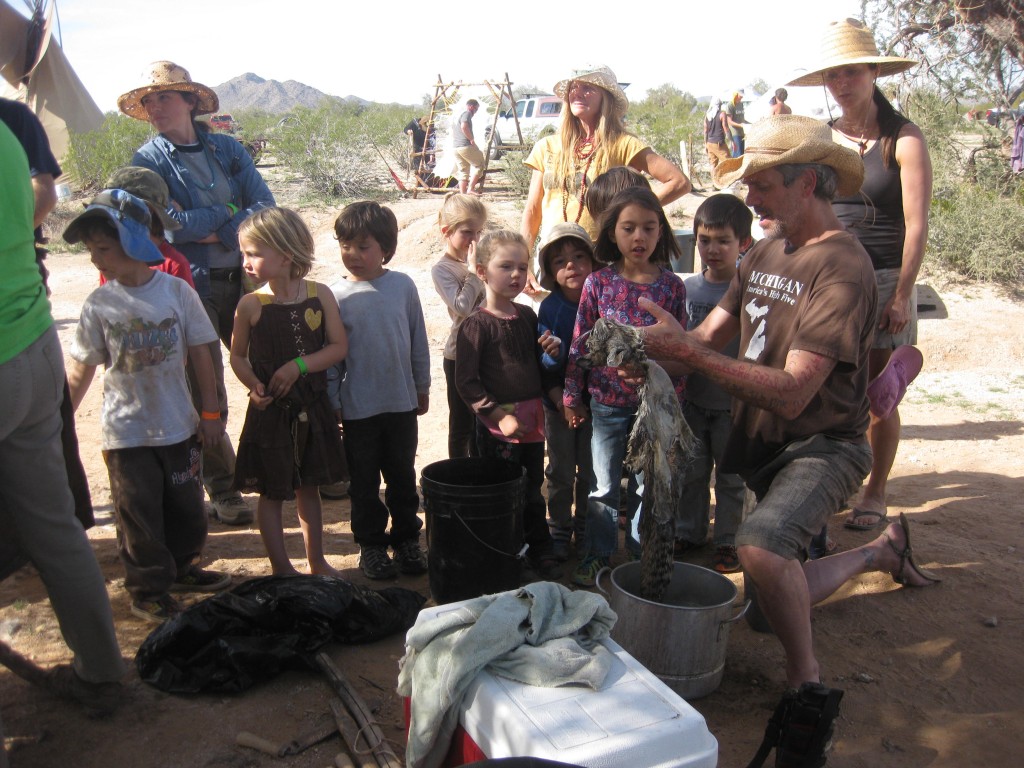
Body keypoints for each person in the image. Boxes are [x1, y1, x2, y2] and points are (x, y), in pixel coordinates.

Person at [639, 116, 939, 761]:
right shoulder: (764, 253)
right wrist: (667, 342)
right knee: (766, 605)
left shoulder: (844, 267)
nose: (751, 199)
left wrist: (687, 357)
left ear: (807, 182)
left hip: (824, 443)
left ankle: (805, 685)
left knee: (762, 550)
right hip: (766, 447)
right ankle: (878, 554)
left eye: (763, 186)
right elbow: (709, 336)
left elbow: (796, 390)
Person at [788, 18, 933, 532]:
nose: (841, 85)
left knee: (877, 396)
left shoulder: (904, 139)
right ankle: (826, 486)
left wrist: (903, 292)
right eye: (833, 76)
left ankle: (875, 491)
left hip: (886, 276)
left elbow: (916, 224)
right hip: (830, 276)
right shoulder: (823, 139)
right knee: (824, 387)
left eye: (850, 73)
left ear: (873, 72)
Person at [0, 121, 126, 714]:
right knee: (54, 527)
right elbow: (39, 200)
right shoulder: (6, 127)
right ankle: (102, 671)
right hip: (30, 340)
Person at [118, 61, 277, 526]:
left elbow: (265, 204)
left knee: (272, 368)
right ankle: (224, 487)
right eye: (148, 100)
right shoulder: (147, 161)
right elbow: (169, 225)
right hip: (193, 283)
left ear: (190, 101)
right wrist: (229, 215)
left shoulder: (227, 149)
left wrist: (206, 226)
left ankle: (294, 465)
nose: (154, 107)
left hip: (248, 278)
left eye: (163, 97)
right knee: (204, 385)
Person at [65, 189, 232, 624]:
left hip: (178, 424)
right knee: (138, 516)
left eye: (103, 248)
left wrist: (210, 414)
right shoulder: (100, 305)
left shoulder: (176, 292)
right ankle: (147, 589)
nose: (95, 259)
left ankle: (181, 570)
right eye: (91, 250)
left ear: (134, 243)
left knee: (186, 507)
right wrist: (58, 417)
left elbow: (202, 356)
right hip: (128, 434)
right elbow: (82, 370)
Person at [563, 187, 687, 587]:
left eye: (649, 228)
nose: (639, 237)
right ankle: (597, 554)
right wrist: (572, 395)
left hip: (653, 408)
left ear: (661, 232)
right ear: (612, 233)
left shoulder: (671, 287)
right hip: (606, 406)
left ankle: (638, 554)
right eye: (629, 228)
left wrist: (673, 404)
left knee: (646, 485)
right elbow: (581, 341)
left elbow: (682, 350)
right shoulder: (598, 283)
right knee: (601, 486)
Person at [229, 207, 348, 577]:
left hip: (312, 407)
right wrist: (254, 386)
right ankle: (281, 569)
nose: (246, 262)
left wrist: (297, 366)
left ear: (286, 254)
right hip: (271, 412)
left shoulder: (320, 295)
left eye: (254, 253)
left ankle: (317, 562)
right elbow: (237, 356)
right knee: (272, 491)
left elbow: (337, 347)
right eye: (244, 253)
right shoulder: (251, 305)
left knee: (308, 486)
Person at [331, 202, 431, 580]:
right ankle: (371, 546)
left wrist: (421, 386)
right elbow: (333, 359)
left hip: (401, 404)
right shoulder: (335, 297)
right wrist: (333, 401)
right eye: (345, 245)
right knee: (363, 482)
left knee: (403, 477)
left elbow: (417, 340)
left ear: (386, 248)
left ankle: (407, 540)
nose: (352, 255)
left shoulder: (402, 286)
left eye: (363, 246)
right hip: (358, 408)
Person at [455, 230, 563, 580]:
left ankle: (539, 548)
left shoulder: (528, 318)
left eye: (522, 266)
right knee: (502, 492)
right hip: (496, 427)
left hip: (532, 421)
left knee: (532, 488)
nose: (516, 274)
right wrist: (496, 414)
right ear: (483, 271)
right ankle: (506, 552)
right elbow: (466, 381)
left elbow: (538, 368)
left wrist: (550, 353)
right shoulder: (475, 325)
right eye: (506, 266)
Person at [520, 65, 691, 268]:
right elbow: (532, 209)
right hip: (553, 256)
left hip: (601, 257)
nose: (578, 93)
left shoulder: (623, 144)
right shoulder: (546, 146)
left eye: (588, 87)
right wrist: (523, 260)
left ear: (606, 97)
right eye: (573, 87)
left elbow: (679, 182)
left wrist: (633, 214)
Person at [674, 194, 752, 573]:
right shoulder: (687, 289)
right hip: (693, 400)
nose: (712, 249)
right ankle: (690, 531)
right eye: (705, 240)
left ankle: (728, 539)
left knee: (732, 477)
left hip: (733, 404)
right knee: (692, 471)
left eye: (723, 241)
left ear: (744, 243)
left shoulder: (749, 290)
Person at [536, 222, 595, 561]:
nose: (570, 266)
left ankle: (586, 527)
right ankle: (560, 528)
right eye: (560, 261)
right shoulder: (551, 308)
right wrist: (551, 355)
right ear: (549, 271)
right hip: (559, 405)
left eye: (578, 257)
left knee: (590, 471)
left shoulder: (604, 299)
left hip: (597, 405)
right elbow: (544, 368)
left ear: (594, 262)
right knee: (559, 471)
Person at [431, 192, 487, 458]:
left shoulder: (475, 263)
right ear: (447, 231)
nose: (474, 239)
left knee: (482, 419)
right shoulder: (443, 269)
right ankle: (458, 476)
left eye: (479, 232)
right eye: (467, 232)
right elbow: (462, 307)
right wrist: (475, 274)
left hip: (486, 350)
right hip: (459, 353)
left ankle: (480, 475)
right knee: (461, 424)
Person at [452, 99, 486, 195]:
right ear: (471, 106)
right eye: (476, 108)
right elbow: (464, 126)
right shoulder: (467, 114)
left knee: (463, 171)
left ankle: (463, 194)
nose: (476, 111)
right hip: (465, 146)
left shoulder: (461, 115)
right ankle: (470, 188)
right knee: (479, 165)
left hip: (456, 147)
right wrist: (471, 139)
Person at [703, 98, 731, 171]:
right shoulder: (722, 114)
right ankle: (730, 180)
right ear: (719, 105)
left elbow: (705, 130)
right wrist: (732, 140)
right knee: (729, 162)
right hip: (718, 143)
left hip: (709, 143)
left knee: (713, 164)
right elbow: (726, 127)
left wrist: (705, 143)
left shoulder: (707, 116)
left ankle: (714, 181)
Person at [724, 91, 748, 157]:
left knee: (743, 154)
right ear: (736, 94)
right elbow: (729, 121)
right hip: (735, 133)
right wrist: (740, 125)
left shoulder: (741, 104)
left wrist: (750, 124)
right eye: (740, 95)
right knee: (738, 154)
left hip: (743, 133)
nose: (742, 97)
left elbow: (742, 119)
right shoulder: (730, 105)